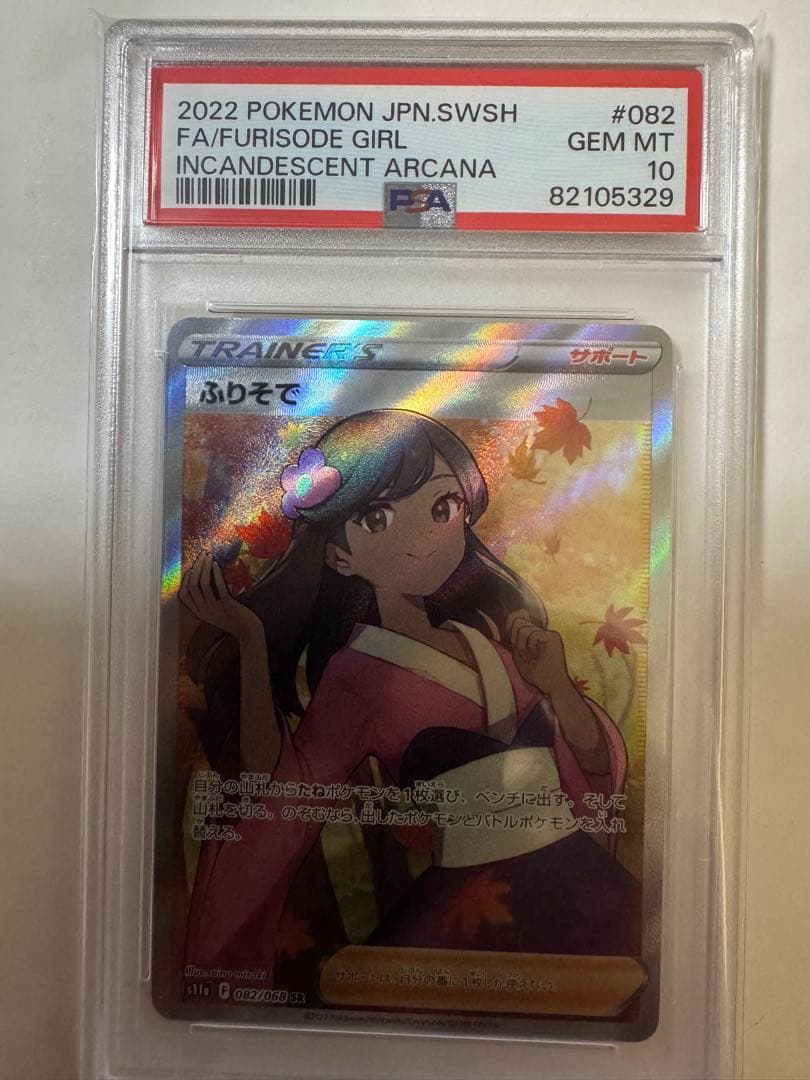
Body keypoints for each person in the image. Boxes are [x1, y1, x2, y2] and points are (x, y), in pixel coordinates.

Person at [180, 409, 640, 985]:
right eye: (377, 518)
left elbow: (594, 768)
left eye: (443, 507)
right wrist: (250, 642)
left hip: (570, 869)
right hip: (470, 893)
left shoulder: (490, 645)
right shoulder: (356, 677)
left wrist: (557, 687)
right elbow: (280, 789)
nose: (423, 537)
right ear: (339, 556)